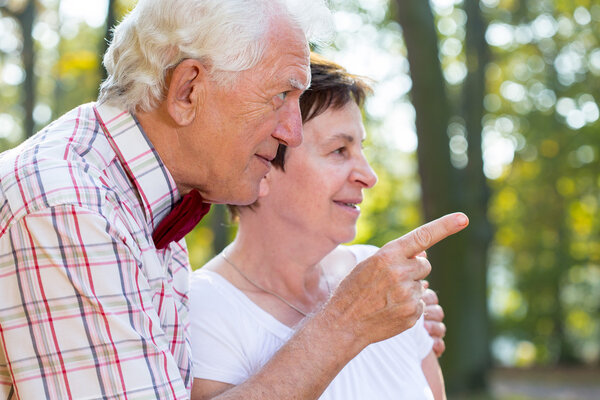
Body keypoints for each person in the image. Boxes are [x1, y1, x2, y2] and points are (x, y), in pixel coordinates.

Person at [0, 0, 466, 398]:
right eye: (280, 95)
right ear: (188, 90)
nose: (291, 132)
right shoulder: (70, 205)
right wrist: (346, 321)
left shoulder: (141, 203)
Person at [189, 54, 449, 400]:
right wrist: (350, 319)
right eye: (339, 150)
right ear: (262, 163)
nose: (368, 176)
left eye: (360, 148)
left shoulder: (380, 275)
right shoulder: (202, 309)